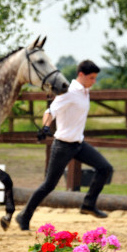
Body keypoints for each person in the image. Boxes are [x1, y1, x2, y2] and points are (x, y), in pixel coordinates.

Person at [15, 60, 113, 231]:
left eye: (95, 78)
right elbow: (50, 111)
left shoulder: (84, 91)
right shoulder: (69, 92)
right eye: (91, 78)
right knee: (49, 185)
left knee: (105, 168)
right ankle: (24, 216)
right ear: (81, 75)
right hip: (63, 146)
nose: (94, 81)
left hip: (79, 144)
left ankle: (88, 204)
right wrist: (46, 126)